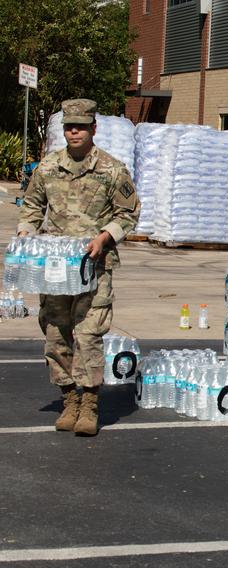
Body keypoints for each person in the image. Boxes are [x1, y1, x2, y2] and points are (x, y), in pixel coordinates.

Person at [18, 99, 140, 436]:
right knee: (56, 334)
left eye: (81, 126)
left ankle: (89, 403)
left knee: (88, 336)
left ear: (93, 129)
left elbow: (128, 214)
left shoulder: (112, 170)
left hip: (93, 266)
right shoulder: (47, 167)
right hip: (55, 267)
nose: (74, 132)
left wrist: (104, 238)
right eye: (69, 126)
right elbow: (31, 205)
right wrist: (26, 232)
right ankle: (68, 397)